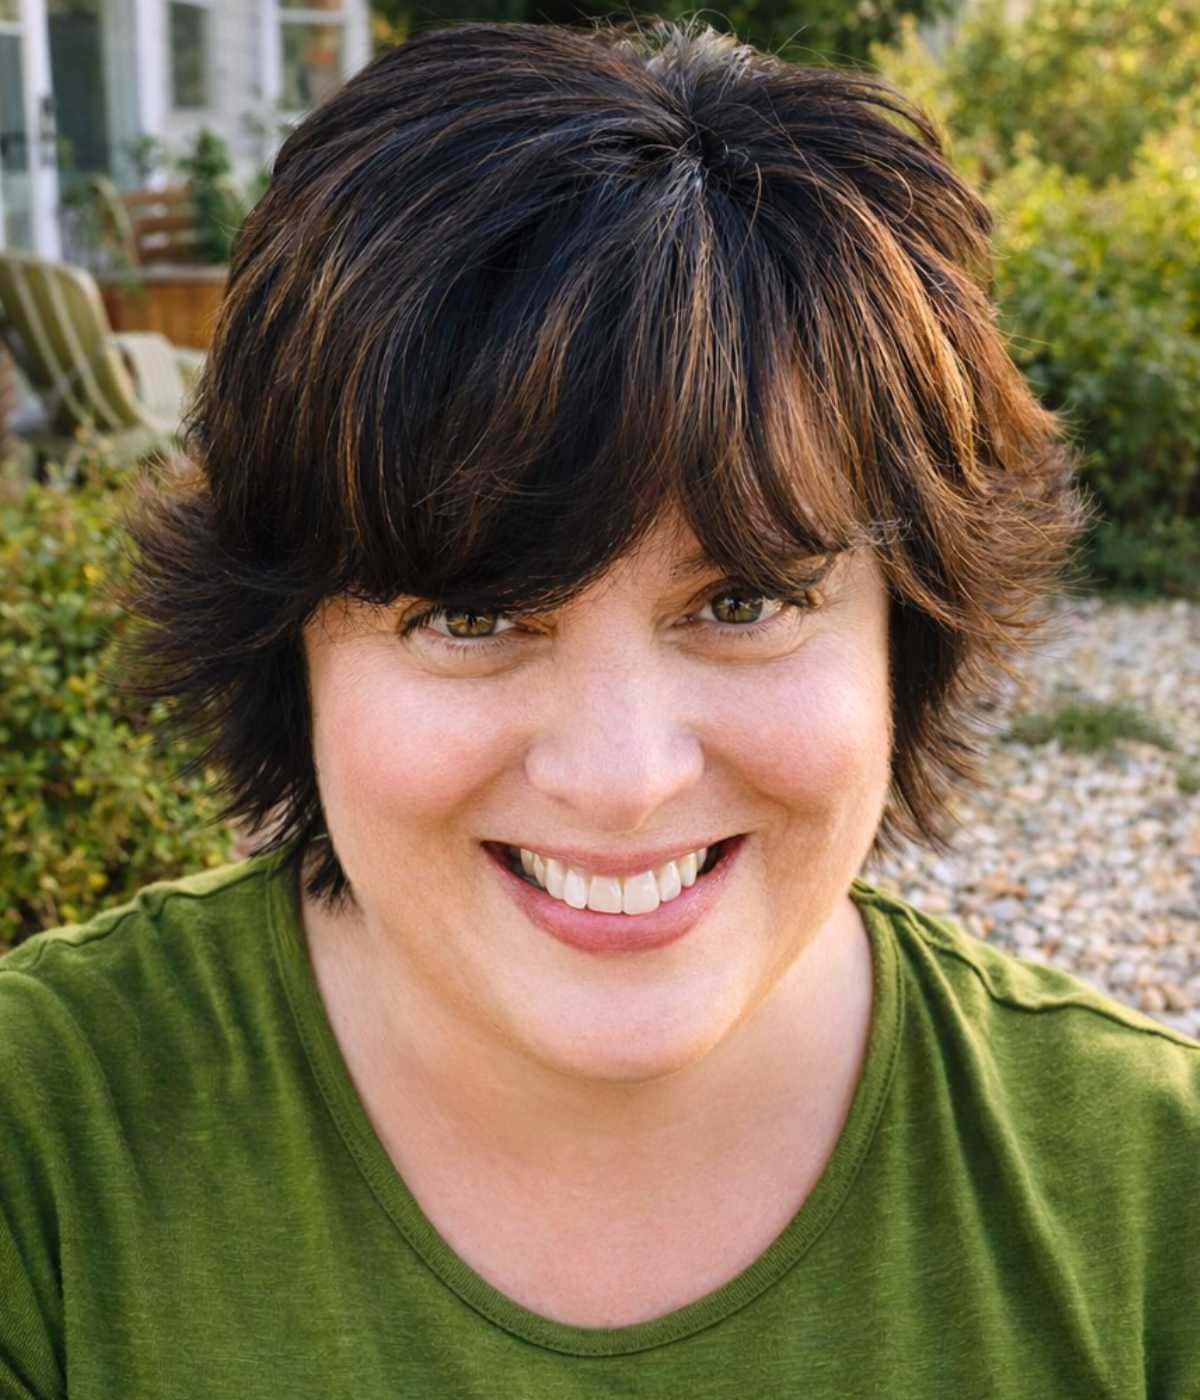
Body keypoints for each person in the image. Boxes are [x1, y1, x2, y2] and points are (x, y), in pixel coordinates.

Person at [1, 19, 1196, 1397]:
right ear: (290, 648)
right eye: (471, 615)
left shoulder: (1153, 1209)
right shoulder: (45, 1159)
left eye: (740, 602)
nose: (622, 776)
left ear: (909, 630)